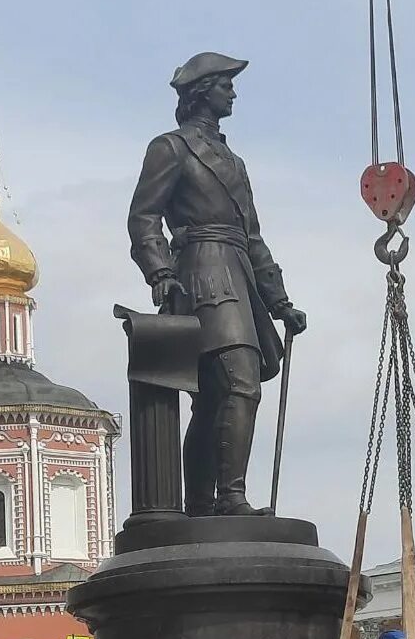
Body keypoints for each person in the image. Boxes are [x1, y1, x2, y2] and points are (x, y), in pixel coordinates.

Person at [128, 51, 308, 517]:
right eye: (225, 84)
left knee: (213, 400)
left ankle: (206, 504)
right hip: (201, 272)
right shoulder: (170, 148)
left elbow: (252, 237)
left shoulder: (235, 161)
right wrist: (160, 271)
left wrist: (279, 300)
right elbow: (144, 216)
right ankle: (228, 499)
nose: (233, 92)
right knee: (238, 384)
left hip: (238, 275)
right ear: (201, 92)